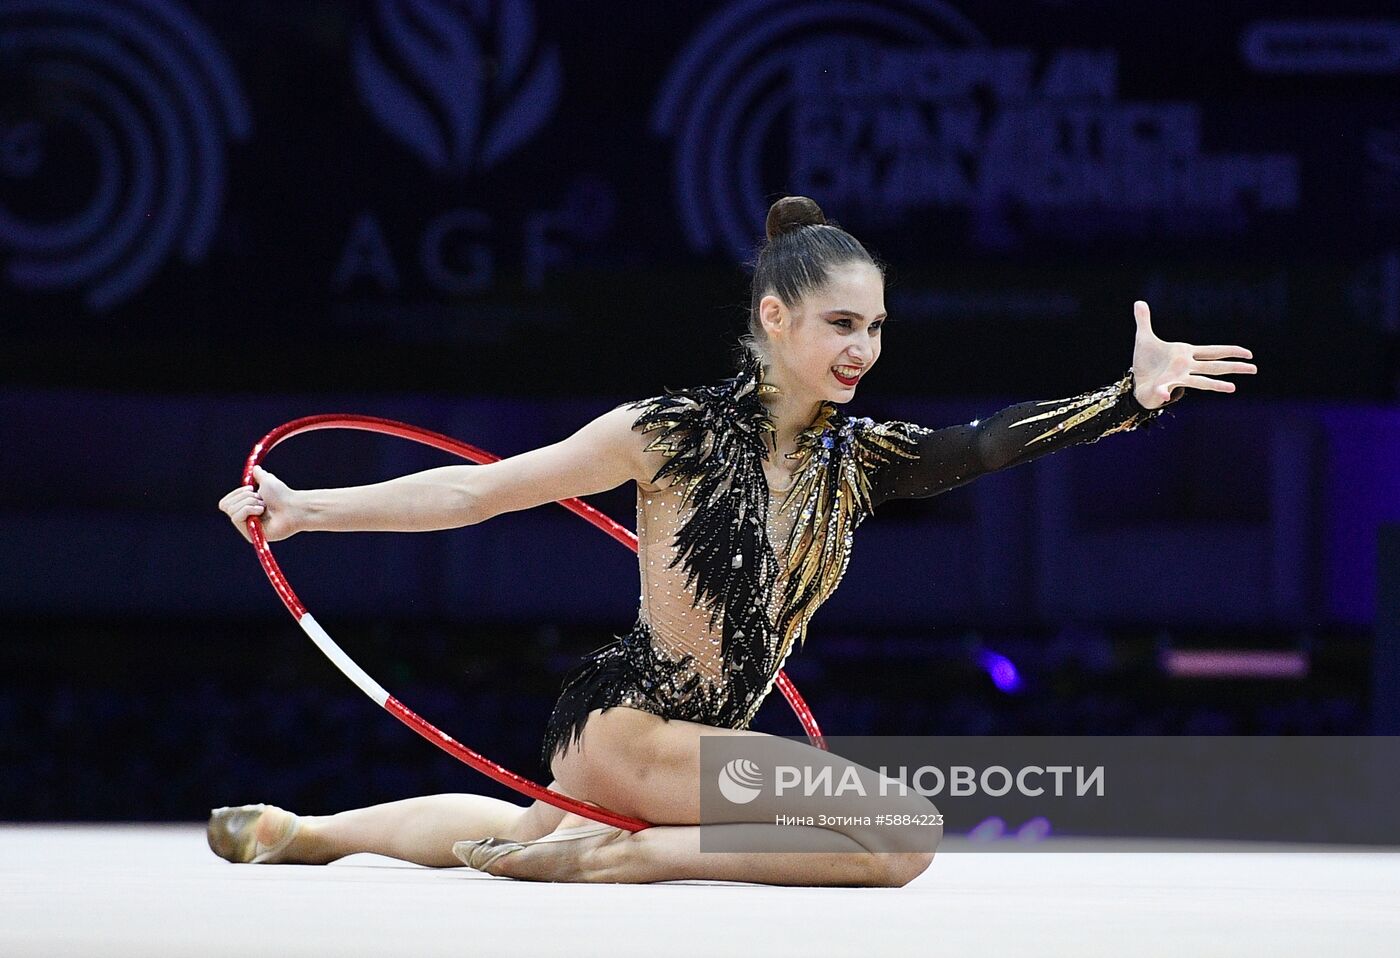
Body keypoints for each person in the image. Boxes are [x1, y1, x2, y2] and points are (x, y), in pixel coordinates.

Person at [209, 196, 1256, 885]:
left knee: (524, 826)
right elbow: (483, 491)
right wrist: (308, 511)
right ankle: (634, 859)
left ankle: (309, 833)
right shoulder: (667, 432)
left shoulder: (864, 457)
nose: (863, 348)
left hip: (673, 750)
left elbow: (981, 444)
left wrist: (1127, 398)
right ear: (776, 317)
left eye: (877, 326)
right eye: (842, 324)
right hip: (626, 722)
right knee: (905, 836)